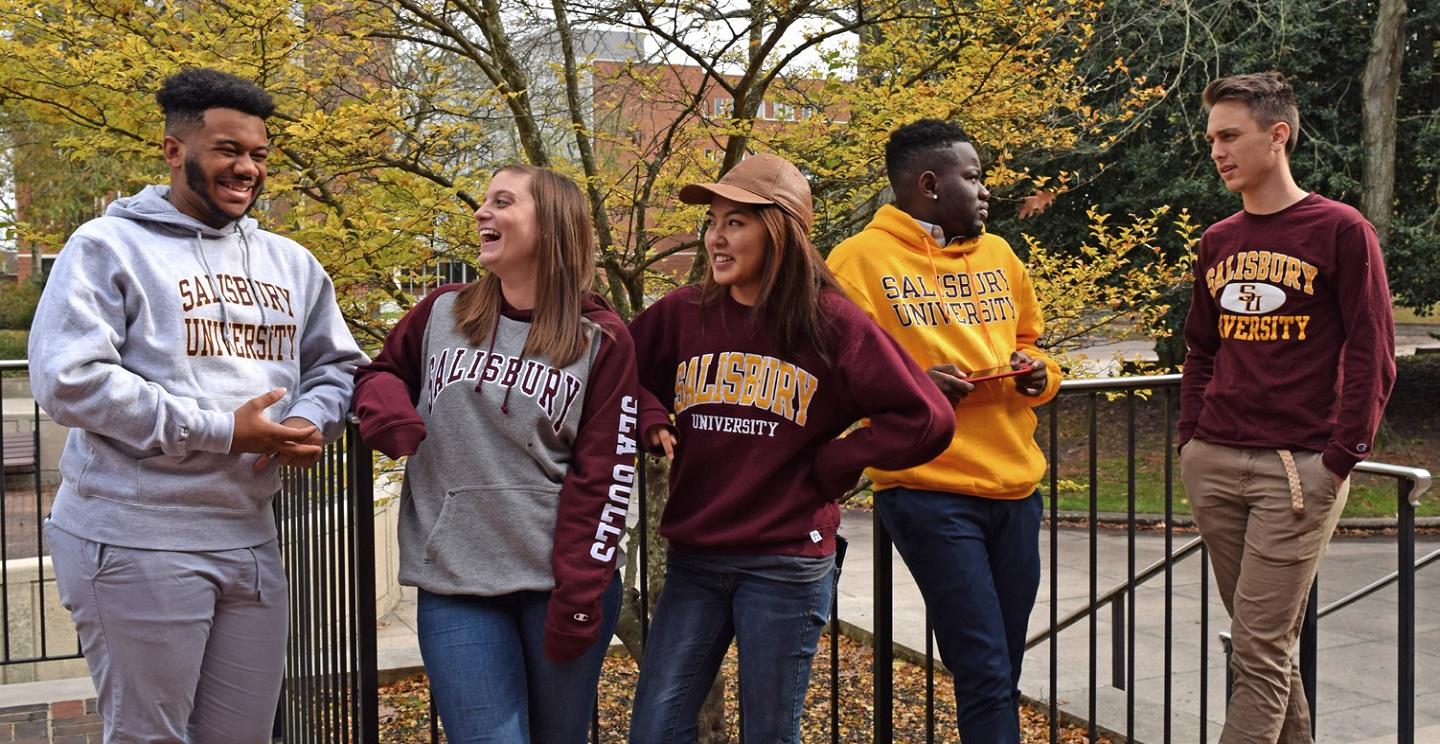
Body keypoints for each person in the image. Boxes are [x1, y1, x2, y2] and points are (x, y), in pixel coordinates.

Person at [29, 68, 367, 743]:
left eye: (259, 155)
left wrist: (307, 421)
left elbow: (337, 366)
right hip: (133, 535)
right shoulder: (107, 247)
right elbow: (68, 379)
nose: (247, 169)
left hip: (249, 536)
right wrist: (222, 431)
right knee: (150, 736)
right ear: (174, 149)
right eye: (227, 150)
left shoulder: (292, 263)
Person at [626, 152, 955, 743]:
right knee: (655, 730)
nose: (715, 238)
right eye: (713, 222)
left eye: (736, 222)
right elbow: (616, 374)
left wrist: (838, 460)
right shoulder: (682, 314)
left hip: (785, 563)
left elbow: (925, 416)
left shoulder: (831, 324)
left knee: (770, 736)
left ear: (778, 230)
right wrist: (650, 413)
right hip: (695, 560)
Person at [352, 164, 638, 743]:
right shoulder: (442, 312)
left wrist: (580, 596)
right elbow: (379, 372)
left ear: (552, 226)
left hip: (559, 584)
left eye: (502, 202)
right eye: (484, 201)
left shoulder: (600, 339)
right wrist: (388, 411)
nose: (482, 212)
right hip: (456, 581)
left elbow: (606, 476)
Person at [826, 119, 1060, 743]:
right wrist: (911, 383)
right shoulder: (855, 262)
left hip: (1016, 490)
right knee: (983, 667)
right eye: (974, 176)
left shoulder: (1000, 254)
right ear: (929, 185)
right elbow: (832, 377)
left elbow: (1033, 343)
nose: (986, 191)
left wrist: (1041, 374)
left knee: (1002, 665)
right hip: (928, 489)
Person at [1180, 72, 1395, 744]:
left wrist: (1343, 456)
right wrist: (1190, 439)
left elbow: (1373, 350)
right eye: (1211, 137)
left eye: (1230, 135)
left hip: (1297, 472)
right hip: (1214, 460)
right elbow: (1200, 349)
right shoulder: (1219, 239)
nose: (1216, 150)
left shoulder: (1340, 230)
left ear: (1278, 135)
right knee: (1259, 641)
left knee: (1258, 646)